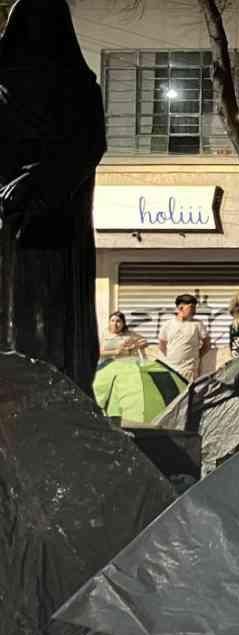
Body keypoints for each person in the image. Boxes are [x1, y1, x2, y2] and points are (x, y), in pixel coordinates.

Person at [0, 0, 107, 392]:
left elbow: (89, 146)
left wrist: (37, 181)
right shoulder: (3, 87)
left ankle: (58, 390)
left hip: (58, 226)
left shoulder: (79, 87)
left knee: (54, 315)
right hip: (9, 221)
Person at [158, 294, 210, 381]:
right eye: (191, 308)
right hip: (171, 369)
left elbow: (206, 344)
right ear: (181, 307)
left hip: (189, 371)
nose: (194, 311)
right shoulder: (168, 324)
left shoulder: (198, 324)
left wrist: (196, 357)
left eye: (195, 308)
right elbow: (162, 345)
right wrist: (172, 357)